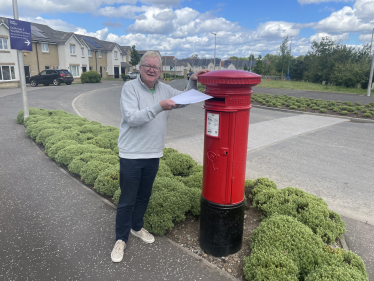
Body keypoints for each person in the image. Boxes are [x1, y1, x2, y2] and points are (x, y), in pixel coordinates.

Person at [111, 51, 210, 262]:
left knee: (143, 196)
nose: (152, 69)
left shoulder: (164, 88)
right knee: (127, 199)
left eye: (156, 67)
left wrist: (192, 81)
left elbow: (183, 100)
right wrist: (159, 107)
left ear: (159, 70)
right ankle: (121, 239)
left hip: (152, 153)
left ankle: (136, 227)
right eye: (148, 65)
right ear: (140, 67)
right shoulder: (130, 88)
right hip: (131, 154)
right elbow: (132, 118)